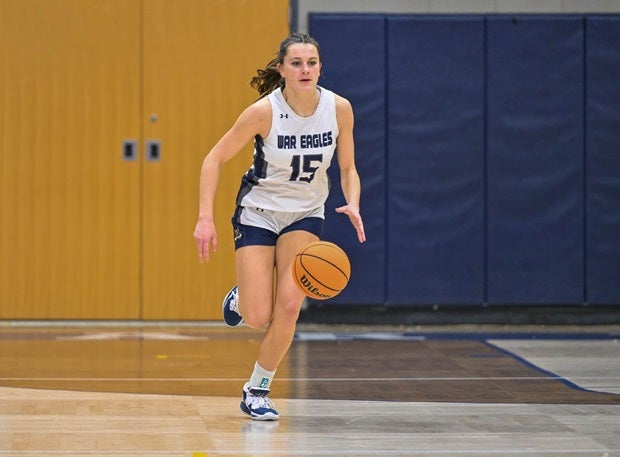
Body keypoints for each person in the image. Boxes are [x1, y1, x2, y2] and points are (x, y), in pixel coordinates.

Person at [193, 32, 366, 421]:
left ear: (321, 67)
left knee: (289, 305)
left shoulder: (339, 108)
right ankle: (241, 297)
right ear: (281, 69)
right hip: (259, 211)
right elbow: (213, 159)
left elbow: (349, 168)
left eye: (312, 63)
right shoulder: (263, 112)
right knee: (258, 316)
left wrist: (353, 201)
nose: (305, 70)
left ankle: (257, 388)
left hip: (306, 213)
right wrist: (205, 218)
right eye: (297, 63)